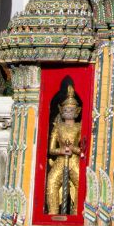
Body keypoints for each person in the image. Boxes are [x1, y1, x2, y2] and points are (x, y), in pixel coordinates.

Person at [44, 79, 83, 214]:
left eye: (71, 109)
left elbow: (83, 148)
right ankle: (53, 212)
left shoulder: (80, 127)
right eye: (66, 109)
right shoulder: (58, 127)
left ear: (77, 111)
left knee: (81, 184)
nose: (68, 111)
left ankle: (77, 213)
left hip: (74, 160)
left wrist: (74, 149)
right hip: (61, 161)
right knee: (51, 183)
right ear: (61, 110)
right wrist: (61, 150)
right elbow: (50, 149)